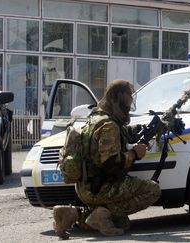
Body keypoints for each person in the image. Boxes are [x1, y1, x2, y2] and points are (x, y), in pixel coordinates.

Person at [53, 79, 161, 238]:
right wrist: (134, 154)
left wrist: (136, 130)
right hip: (102, 187)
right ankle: (100, 214)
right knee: (153, 190)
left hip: (86, 186)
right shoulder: (109, 125)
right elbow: (109, 163)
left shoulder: (97, 118)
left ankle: (74, 214)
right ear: (116, 98)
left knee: (122, 223)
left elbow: (112, 138)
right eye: (127, 98)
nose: (129, 103)